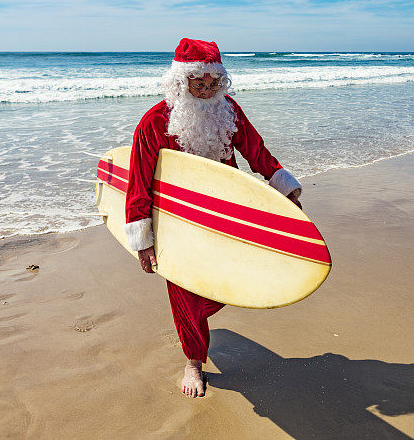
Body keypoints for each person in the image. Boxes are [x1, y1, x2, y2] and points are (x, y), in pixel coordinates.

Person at [124, 38, 303, 398]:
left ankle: (194, 319)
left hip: (223, 213)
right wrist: (143, 240)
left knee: (229, 282)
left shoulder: (228, 111)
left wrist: (285, 188)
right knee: (184, 290)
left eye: (213, 84)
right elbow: (138, 181)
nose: (207, 92)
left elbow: (256, 150)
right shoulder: (154, 122)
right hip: (174, 219)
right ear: (181, 82)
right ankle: (193, 360)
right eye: (199, 84)